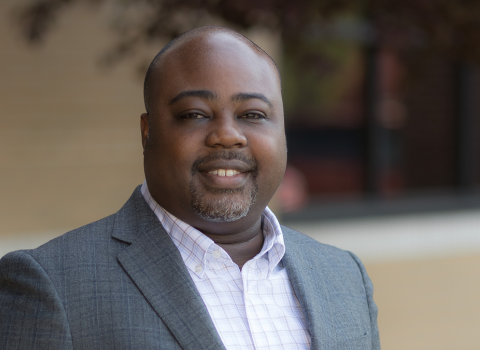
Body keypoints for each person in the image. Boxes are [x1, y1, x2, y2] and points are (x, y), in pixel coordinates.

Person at [0, 26, 380, 350]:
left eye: (252, 115)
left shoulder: (343, 275)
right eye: (194, 114)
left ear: (282, 133)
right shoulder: (53, 285)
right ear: (148, 133)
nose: (228, 136)